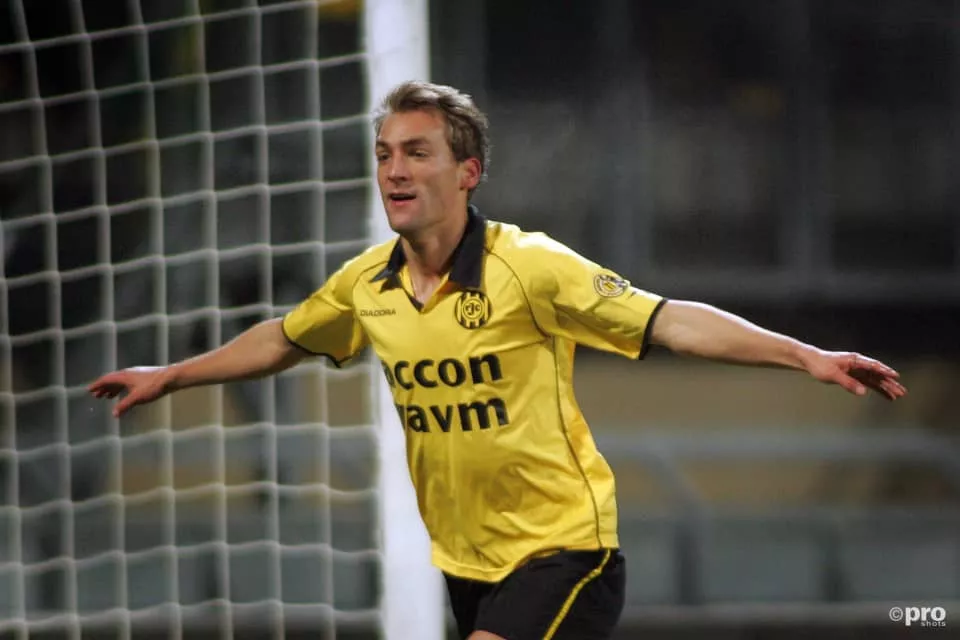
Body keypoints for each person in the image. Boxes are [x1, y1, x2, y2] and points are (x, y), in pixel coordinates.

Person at [89, 81, 907, 640]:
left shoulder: (530, 266)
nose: (394, 170)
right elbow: (284, 336)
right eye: (384, 153)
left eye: (417, 152)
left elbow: (668, 321)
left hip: (565, 552)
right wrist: (172, 375)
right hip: (468, 562)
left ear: (468, 172)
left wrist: (805, 355)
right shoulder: (365, 285)